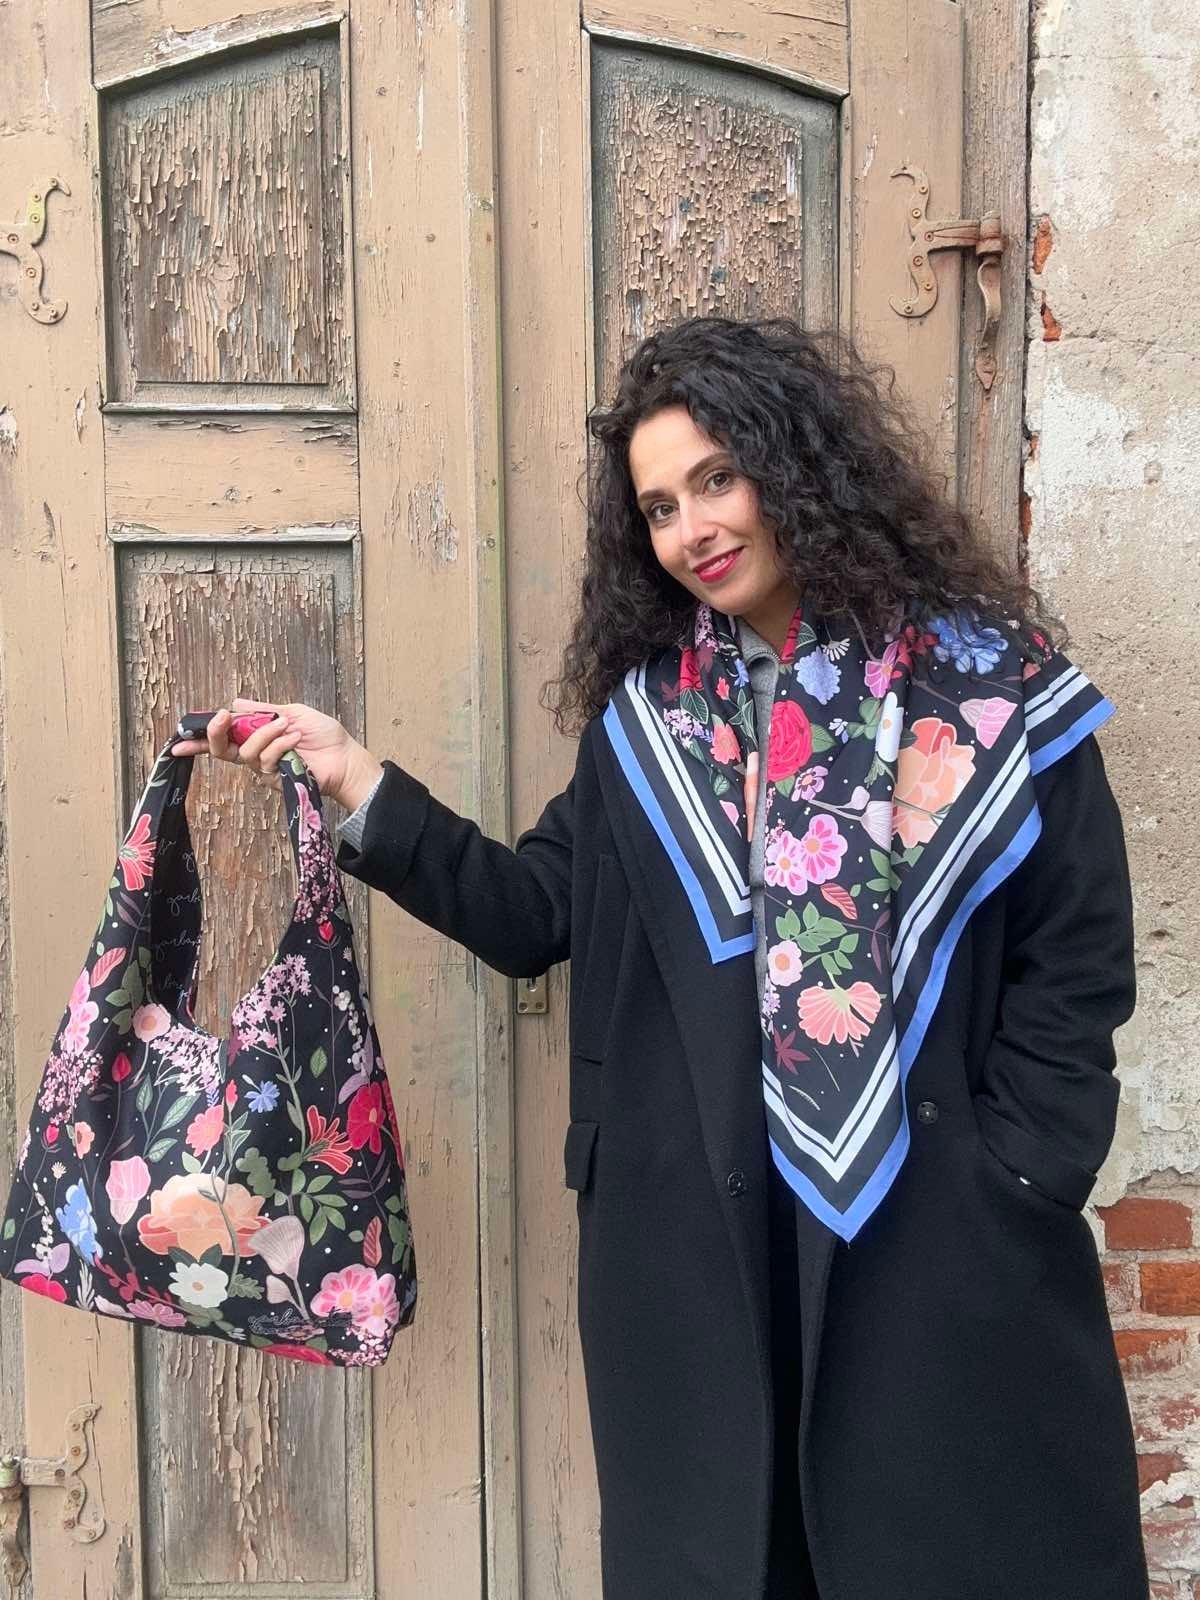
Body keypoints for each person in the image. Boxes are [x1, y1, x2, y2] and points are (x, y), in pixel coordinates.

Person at [172, 317, 1147, 1599]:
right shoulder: (651, 725)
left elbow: (1076, 954)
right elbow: (531, 911)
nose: (693, 527)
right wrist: (359, 783)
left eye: (718, 479)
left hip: (937, 1232)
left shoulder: (993, 698)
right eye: (659, 506)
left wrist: (1020, 1166)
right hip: (704, 1241)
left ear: (802, 468)